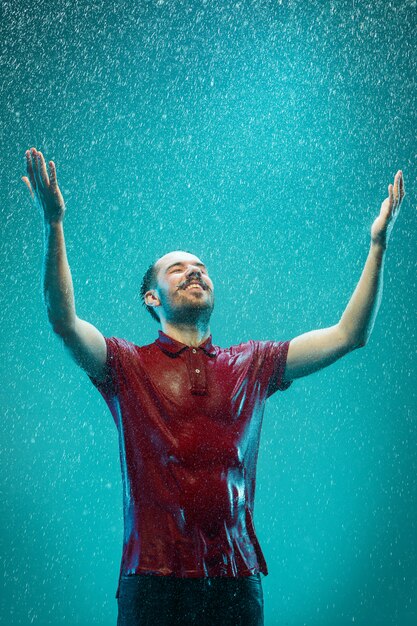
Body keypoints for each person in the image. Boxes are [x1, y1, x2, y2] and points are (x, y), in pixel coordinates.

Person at [22, 147, 405, 626]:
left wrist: (378, 245)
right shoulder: (126, 363)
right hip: (153, 580)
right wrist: (54, 225)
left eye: (201, 266)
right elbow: (63, 321)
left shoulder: (253, 363)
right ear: (151, 297)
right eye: (178, 269)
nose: (195, 271)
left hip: (236, 582)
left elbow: (351, 334)